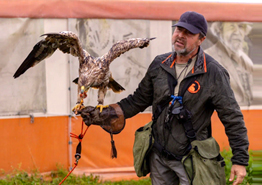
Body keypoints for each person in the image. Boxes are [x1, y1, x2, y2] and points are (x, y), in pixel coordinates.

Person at [80, 11, 249, 185]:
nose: (180, 36)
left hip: (192, 160)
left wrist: (240, 160)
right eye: (179, 30)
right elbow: (138, 100)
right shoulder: (159, 64)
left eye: (188, 33)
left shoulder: (213, 73)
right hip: (159, 158)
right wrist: (106, 113)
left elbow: (232, 118)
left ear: (201, 39)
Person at [205, 22, 253, 106]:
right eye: (231, 27)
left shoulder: (246, 60)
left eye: (241, 27)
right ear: (219, 30)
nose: (237, 32)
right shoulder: (207, 57)